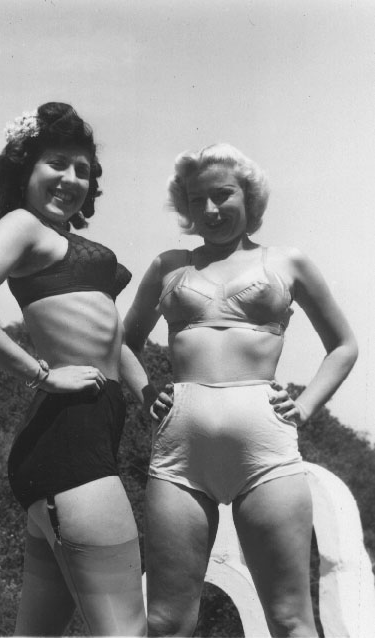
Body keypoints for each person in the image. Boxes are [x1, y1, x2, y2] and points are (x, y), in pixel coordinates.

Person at [0, 102, 149, 636]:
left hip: (75, 441)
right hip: (70, 443)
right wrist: (42, 374)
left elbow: (108, 334)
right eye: (56, 163)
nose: (71, 178)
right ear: (22, 171)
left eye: (83, 169)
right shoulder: (22, 224)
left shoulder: (62, 239)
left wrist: (148, 393)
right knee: (126, 631)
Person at [124, 143, 358, 637]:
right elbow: (123, 344)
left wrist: (306, 405)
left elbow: (343, 346)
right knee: (167, 621)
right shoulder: (169, 266)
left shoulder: (287, 261)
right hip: (179, 457)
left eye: (222, 195)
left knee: (291, 619)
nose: (210, 209)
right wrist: (145, 392)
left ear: (249, 196)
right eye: (196, 199)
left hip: (266, 454)